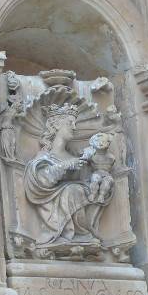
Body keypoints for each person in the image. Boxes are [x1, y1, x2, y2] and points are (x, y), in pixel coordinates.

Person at [23, 104, 107, 246]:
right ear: (55, 125)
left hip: (78, 204)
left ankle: (80, 232)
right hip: (52, 204)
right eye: (69, 123)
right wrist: (66, 166)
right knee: (72, 189)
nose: (74, 127)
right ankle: (68, 232)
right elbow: (41, 180)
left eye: (74, 123)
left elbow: (87, 183)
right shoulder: (44, 156)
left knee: (78, 188)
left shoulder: (74, 156)